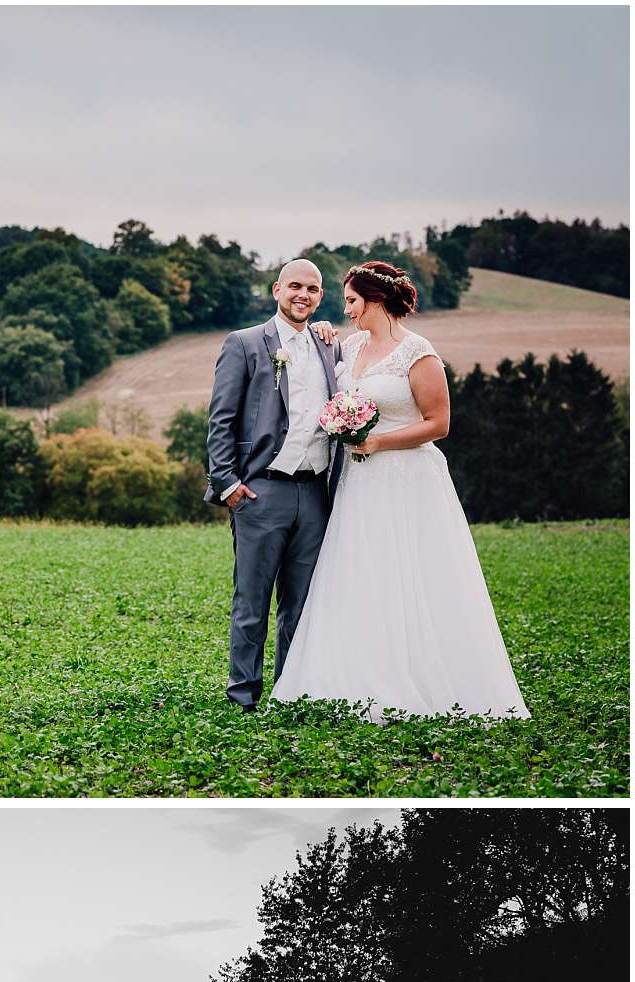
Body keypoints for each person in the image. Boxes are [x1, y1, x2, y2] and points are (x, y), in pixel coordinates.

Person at [271, 260, 530, 721]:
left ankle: (425, 679)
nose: (345, 309)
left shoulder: (418, 352)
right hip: (358, 481)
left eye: (350, 301)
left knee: (412, 574)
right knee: (361, 573)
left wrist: (378, 441)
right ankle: (353, 678)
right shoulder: (349, 347)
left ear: (375, 300)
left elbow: (439, 423)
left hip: (407, 478)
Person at [205, 259, 343, 710]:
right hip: (262, 491)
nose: (303, 295)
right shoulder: (245, 343)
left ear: (321, 297)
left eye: (313, 289)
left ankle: (289, 694)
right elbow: (222, 418)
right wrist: (227, 483)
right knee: (252, 602)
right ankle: (243, 697)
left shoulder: (329, 348)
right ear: (277, 289)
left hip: (316, 493)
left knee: (301, 606)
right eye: (295, 287)